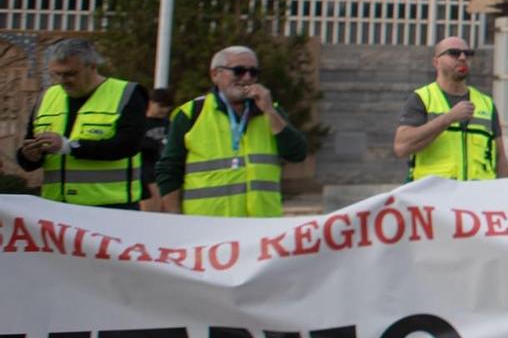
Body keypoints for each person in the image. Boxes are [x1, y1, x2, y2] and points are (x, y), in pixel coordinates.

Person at [156, 45, 309, 216]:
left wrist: (269, 111)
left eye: (253, 72)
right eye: (239, 71)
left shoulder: (270, 112)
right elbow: (169, 169)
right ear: (215, 74)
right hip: (207, 224)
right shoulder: (191, 114)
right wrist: (174, 216)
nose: (247, 77)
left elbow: (298, 153)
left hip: (262, 224)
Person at [16, 37, 149, 209]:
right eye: (56, 74)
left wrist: (70, 146)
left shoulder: (127, 93)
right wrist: (29, 156)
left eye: (70, 74)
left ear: (92, 66)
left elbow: (128, 145)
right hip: (56, 206)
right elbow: (29, 152)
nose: (62, 80)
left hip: (111, 206)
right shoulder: (46, 97)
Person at [394, 36, 508, 181]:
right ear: (436, 62)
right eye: (454, 53)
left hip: (478, 192)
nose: (462, 58)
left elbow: (500, 157)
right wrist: (449, 118)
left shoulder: (486, 104)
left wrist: (503, 190)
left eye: (468, 54)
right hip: (435, 192)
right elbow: (402, 147)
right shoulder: (422, 98)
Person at [137, 87, 176, 211]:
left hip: (166, 175)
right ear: (150, 102)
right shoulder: (139, 122)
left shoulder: (169, 124)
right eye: (161, 106)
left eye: (168, 107)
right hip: (146, 176)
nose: (164, 110)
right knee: (150, 213)